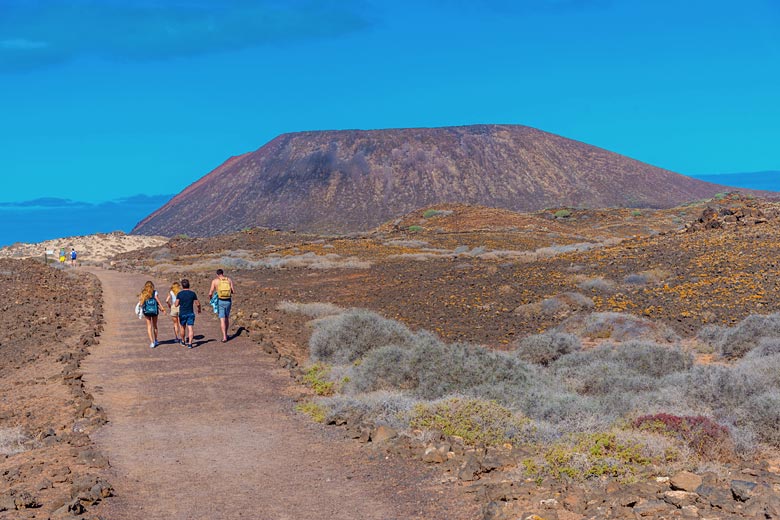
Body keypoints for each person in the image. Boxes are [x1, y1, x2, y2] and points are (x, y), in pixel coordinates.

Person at [208, 269, 235, 343]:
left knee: (222, 319)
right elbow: (233, 291)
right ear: (223, 273)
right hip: (228, 300)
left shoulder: (215, 281)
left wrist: (211, 299)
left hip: (220, 301)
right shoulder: (229, 280)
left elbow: (210, 293)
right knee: (227, 317)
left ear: (217, 274)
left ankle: (224, 337)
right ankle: (226, 334)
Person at [174, 279, 201, 349]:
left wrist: (178, 302)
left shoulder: (179, 294)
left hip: (182, 313)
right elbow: (197, 303)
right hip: (190, 313)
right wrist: (199, 309)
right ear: (189, 285)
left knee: (182, 328)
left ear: (182, 286)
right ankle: (190, 344)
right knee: (190, 328)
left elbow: (176, 304)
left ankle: (183, 341)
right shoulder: (192, 293)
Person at [139, 281, 166, 348]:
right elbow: (158, 301)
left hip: (147, 311)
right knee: (155, 326)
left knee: (149, 326)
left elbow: (141, 303)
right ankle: (156, 340)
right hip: (155, 311)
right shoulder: (155, 292)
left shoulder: (143, 293)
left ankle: (152, 342)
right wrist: (162, 308)